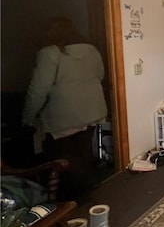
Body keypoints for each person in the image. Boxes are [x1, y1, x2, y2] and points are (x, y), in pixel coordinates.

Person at [21, 17, 107, 200]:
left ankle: (67, 199)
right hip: (92, 110)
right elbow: (100, 75)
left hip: (64, 116)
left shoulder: (49, 54)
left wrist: (26, 118)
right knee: (82, 152)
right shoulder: (91, 50)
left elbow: (37, 90)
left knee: (60, 158)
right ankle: (85, 191)